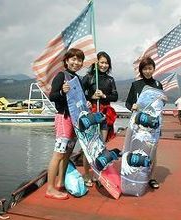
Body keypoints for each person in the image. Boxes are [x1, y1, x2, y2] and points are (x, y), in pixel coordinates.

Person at [45, 48, 91, 200]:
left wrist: (87, 104)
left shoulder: (77, 79)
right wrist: (62, 92)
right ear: (66, 60)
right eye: (73, 59)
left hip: (75, 120)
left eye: (79, 60)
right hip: (63, 118)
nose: (76, 62)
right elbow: (52, 96)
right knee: (58, 154)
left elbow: (79, 100)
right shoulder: (61, 76)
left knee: (67, 154)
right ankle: (50, 189)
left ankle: (60, 182)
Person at [125, 56, 163, 189]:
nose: (147, 71)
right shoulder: (136, 85)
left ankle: (151, 177)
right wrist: (132, 107)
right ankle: (135, 175)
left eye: (150, 68)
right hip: (138, 123)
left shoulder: (158, 85)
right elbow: (128, 103)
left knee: (152, 150)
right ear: (141, 70)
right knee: (136, 148)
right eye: (145, 69)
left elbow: (159, 105)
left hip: (153, 124)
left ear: (153, 69)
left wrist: (163, 100)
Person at [82, 51, 118, 186]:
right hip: (91, 114)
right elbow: (79, 93)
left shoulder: (110, 80)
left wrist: (103, 96)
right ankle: (86, 174)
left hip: (104, 116)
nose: (104, 65)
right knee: (88, 146)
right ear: (96, 63)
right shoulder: (89, 77)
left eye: (106, 63)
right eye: (101, 62)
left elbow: (114, 96)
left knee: (100, 146)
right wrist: (91, 98)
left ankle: (97, 172)